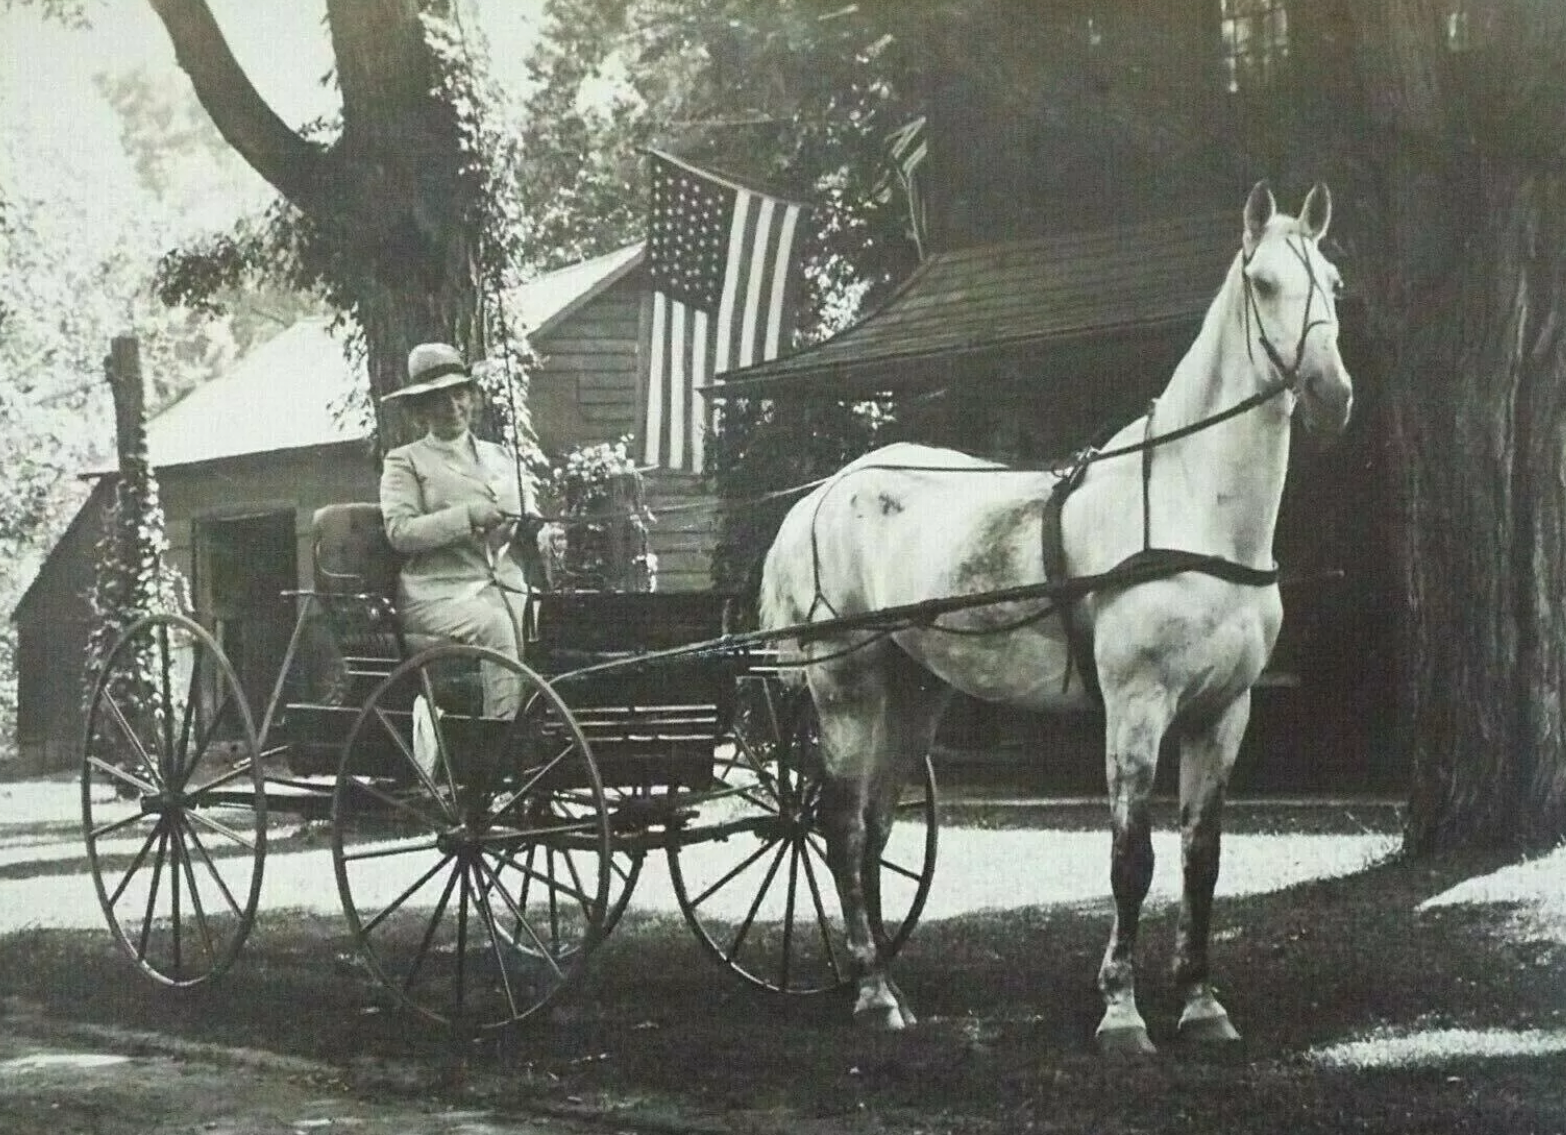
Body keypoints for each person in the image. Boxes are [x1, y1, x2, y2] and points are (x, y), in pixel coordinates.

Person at [379, 342, 537, 718]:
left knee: (559, 622)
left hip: (505, 585)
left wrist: (535, 528)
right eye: (438, 399)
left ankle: (548, 732)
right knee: (497, 627)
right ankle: (501, 743)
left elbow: (527, 514)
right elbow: (400, 532)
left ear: (472, 396)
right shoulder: (406, 461)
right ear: (419, 410)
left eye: (459, 394)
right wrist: (468, 516)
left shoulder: (500, 456)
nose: (453, 407)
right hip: (438, 594)